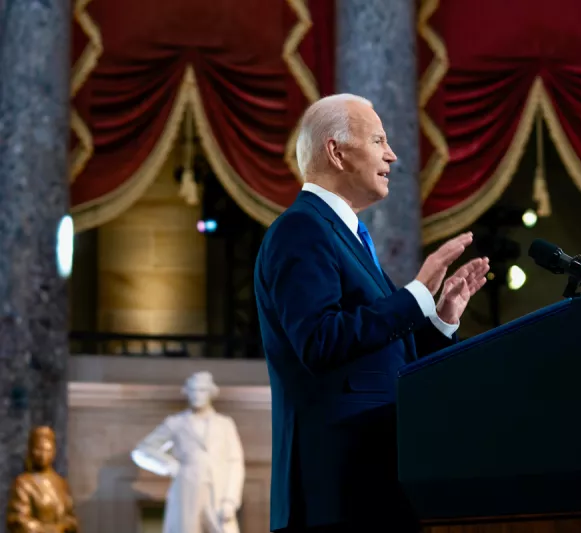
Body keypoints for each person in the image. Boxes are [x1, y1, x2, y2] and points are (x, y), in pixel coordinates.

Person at [254, 93, 490, 533]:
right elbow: (320, 341)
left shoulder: (347, 237)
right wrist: (415, 294)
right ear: (336, 152)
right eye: (378, 140)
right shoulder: (301, 229)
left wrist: (439, 318)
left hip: (372, 485)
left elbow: (386, 360)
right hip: (334, 493)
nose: (392, 155)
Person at [130, 371, 245, 533]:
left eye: (202, 390)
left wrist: (230, 500)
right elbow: (141, 451)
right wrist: (169, 465)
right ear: (187, 392)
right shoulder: (176, 423)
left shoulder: (225, 424)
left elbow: (235, 463)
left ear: (211, 392)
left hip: (218, 493)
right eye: (193, 390)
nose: (197, 395)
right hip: (186, 492)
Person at [6, 426, 80, 533]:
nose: (43, 455)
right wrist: (50, 530)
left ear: (54, 451)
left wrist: (65, 525)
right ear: (31, 451)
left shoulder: (61, 483)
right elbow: (18, 520)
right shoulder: (23, 483)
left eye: (47, 450)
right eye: (38, 449)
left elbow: (71, 517)